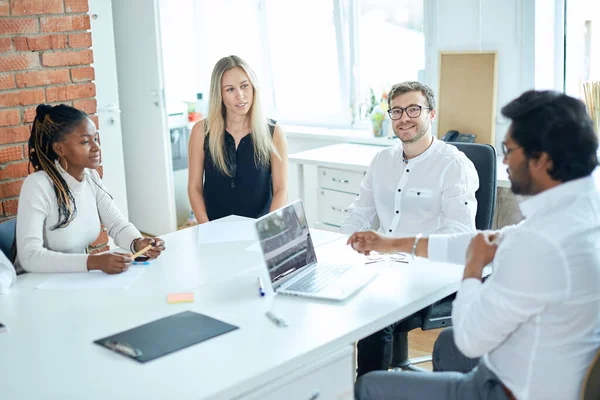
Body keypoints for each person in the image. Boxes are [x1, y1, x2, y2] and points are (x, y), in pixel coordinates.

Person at [349, 90, 600, 400]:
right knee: (445, 346)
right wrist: (393, 243)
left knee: (369, 386)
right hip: (556, 357)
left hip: (511, 389)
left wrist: (472, 270)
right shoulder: (580, 212)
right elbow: (483, 241)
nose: (504, 161)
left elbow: (471, 339)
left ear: (541, 160)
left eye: (509, 150)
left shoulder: (537, 246)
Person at [341, 81, 479, 376]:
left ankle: (370, 390)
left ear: (431, 114)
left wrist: (398, 250)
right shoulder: (381, 161)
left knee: (375, 310)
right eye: (397, 111)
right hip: (382, 265)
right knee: (336, 293)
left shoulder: (454, 165)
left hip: (430, 270)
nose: (404, 117)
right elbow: (359, 213)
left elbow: (459, 232)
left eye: (414, 109)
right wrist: (345, 247)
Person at [15, 104, 165, 275]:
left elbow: (117, 225)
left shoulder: (91, 177)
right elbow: (30, 257)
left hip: (72, 281)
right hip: (33, 286)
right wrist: (93, 261)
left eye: (96, 139)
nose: (96, 147)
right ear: (59, 148)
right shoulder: (38, 185)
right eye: (85, 141)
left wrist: (138, 243)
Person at [188, 55, 288, 223]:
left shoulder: (274, 132)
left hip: (259, 231)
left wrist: (269, 230)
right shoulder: (201, 131)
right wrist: (206, 228)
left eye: (244, 86)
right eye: (230, 89)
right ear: (219, 94)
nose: (240, 95)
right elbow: (194, 187)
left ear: (253, 87)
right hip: (214, 229)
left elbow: (280, 189)